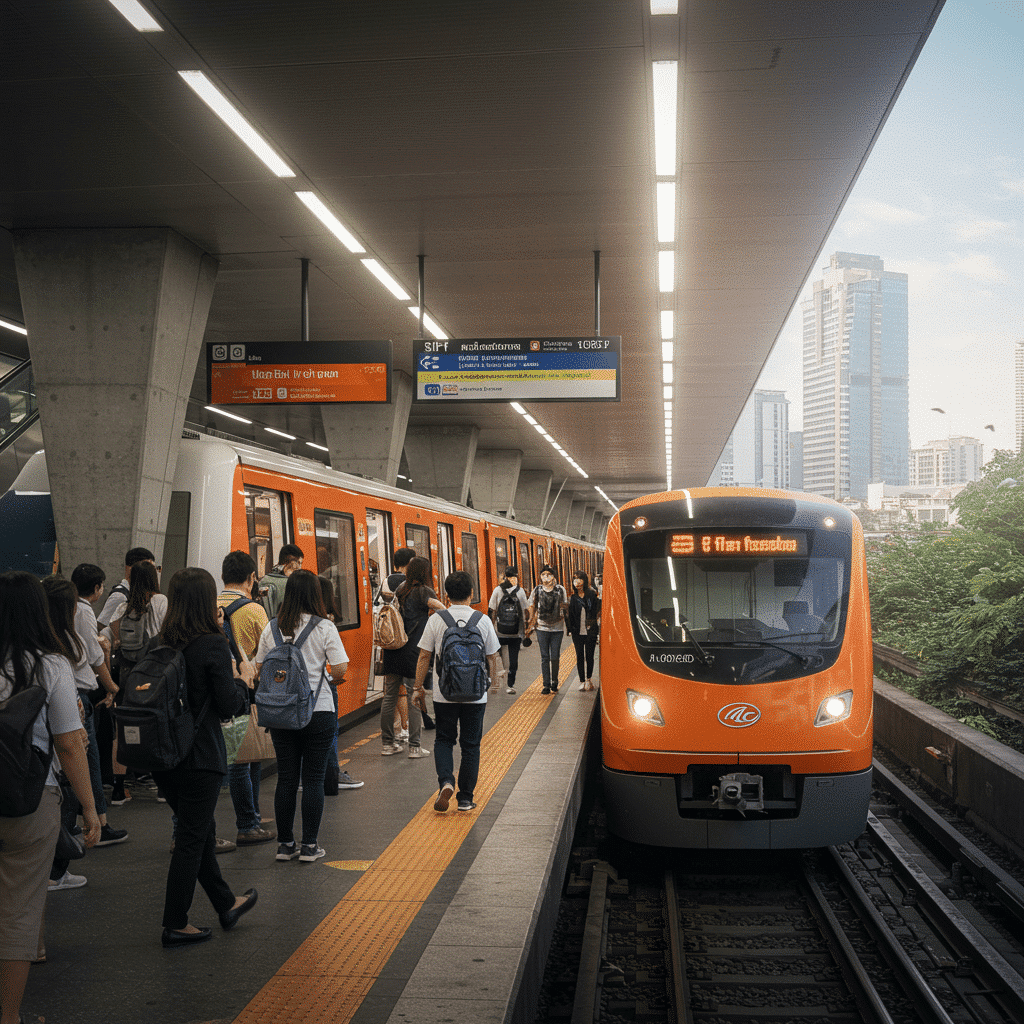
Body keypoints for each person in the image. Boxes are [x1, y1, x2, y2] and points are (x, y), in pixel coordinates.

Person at [0, 572, 100, 1024]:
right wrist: (90, 809)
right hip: (31, 799)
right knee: (18, 911)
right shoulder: (50, 665)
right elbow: (69, 744)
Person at [150, 567, 257, 948]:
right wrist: (244, 681)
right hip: (199, 755)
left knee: (198, 830)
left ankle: (226, 903)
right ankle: (175, 922)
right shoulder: (211, 643)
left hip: (162, 755)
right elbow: (229, 705)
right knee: (192, 839)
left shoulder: (159, 643)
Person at [255, 570, 348, 863]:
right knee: (313, 779)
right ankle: (309, 846)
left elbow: (260, 668)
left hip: (281, 713)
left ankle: (285, 845)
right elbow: (341, 668)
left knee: (286, 778)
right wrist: (325, 678)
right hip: (318, 710)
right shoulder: (325, 627)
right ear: (315, 595)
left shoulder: (272, 627)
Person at [42, 575, 127, 871]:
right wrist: (89, 809)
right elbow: (69, 745)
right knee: (80, 763)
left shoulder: (24, 650)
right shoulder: (59, 653)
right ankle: (62, 862)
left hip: (22, 772)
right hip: (72, 711)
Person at [414, 571, 501, 814]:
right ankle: (465, 799)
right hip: (476, 694)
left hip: (444, 694)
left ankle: (446, 781)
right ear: (471, 593)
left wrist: (417, 687)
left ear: (446, 595)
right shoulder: (482, 620)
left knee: (444, 739)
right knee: (471, 745)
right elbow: (492, 656)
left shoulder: (436, 620)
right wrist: (493, 683)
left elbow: (424, 656)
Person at [218, 551, 276, 846]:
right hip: (248, 688)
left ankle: (252, 817)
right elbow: (270, 652)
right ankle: (248, 823)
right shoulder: (254, 610)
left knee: (242, 755)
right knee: (244, 758)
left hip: (220, 688)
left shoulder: (211, 605)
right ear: (252, 578)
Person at [109, 561, 167, 805]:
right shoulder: (160, 601)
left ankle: (118, 790)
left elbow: (112, 630)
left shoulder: (123, 606)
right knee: (159, 725)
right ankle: (162, 788)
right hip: (154, 671)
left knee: (123, 729)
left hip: (128, 673)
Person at [380, 557, 442, 758]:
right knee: (414, 694)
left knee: (390, 696)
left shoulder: (400, 589)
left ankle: (388, 744)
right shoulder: (424, 591)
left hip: (393, 649)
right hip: (412, 652)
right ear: (425, 572)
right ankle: (415, 747)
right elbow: (440, 607)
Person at [316, 575, 363, 791]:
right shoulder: (326, 624)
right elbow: (340, 667)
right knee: (330, 732)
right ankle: (332, 775)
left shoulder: (279, 623)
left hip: (292, 691)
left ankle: (303, 777)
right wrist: (333, 680)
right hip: (322, 688)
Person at [525, 564, 568, 695]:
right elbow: (531, 606)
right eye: (543, 574)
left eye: (548, 574)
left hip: (557, 629)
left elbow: (565, 606)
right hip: (541, 628)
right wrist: (530, 622)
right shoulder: (537, 590)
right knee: (545, 657)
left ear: (553, 576)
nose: (545, 577)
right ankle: (546, 684)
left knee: (555, 656)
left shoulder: (560, 589)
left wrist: (568, 623)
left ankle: (554, 681)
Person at [487, 564, 529, 695]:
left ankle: (495, 680)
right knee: (513, 660)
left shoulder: (497, 590)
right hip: (516, 633)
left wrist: (491, 628)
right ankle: (510, 685)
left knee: (496, 657)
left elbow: (491, 610)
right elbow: (526, 612)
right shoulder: (520, 591)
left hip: (499, 631)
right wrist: (526, 629)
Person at [565, 570, 600, 691]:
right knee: (579, 656)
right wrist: (570, 629)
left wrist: (594, 625)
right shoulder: (573, 598)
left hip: (591, 631)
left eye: (580, 579)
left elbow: (597, 610)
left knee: (590, 656)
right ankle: (582, 681)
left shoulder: (591, 595)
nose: (577, 582)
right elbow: (570, 615)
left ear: (584, 581)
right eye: (575, 579)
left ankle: (589, 679)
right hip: (577, 632)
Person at [257, 544, 304, 618]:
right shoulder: (292, 584)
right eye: (299, 563)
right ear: (291, 563)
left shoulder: (263, 580)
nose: (300, 567)